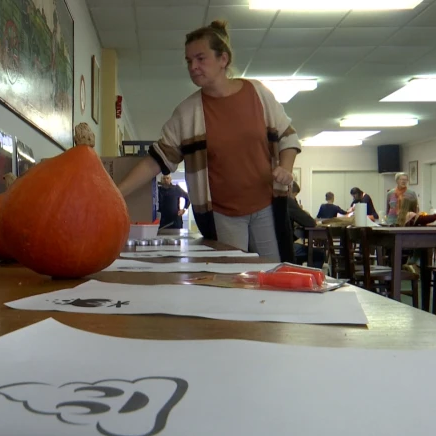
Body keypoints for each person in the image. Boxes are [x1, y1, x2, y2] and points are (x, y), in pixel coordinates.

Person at [115, 20, 301, 262]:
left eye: (200, 58)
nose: (193, 67)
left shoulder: (258, 93)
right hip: (223, 214)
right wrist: (116, 193)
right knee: (233, 281)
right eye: (189, 61)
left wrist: (286, 168)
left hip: (266, 206)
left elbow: (288, 137)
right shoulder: (188, 113)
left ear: (223, 59)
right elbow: (156, 161)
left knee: (275, 273)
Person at [288, 182, 325, 268]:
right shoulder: (288, 201)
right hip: (286, 248)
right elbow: (310, 222)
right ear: (289, 190)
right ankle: (312, 279)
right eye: (295, 195)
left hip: (274, 247)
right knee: (319, 254)